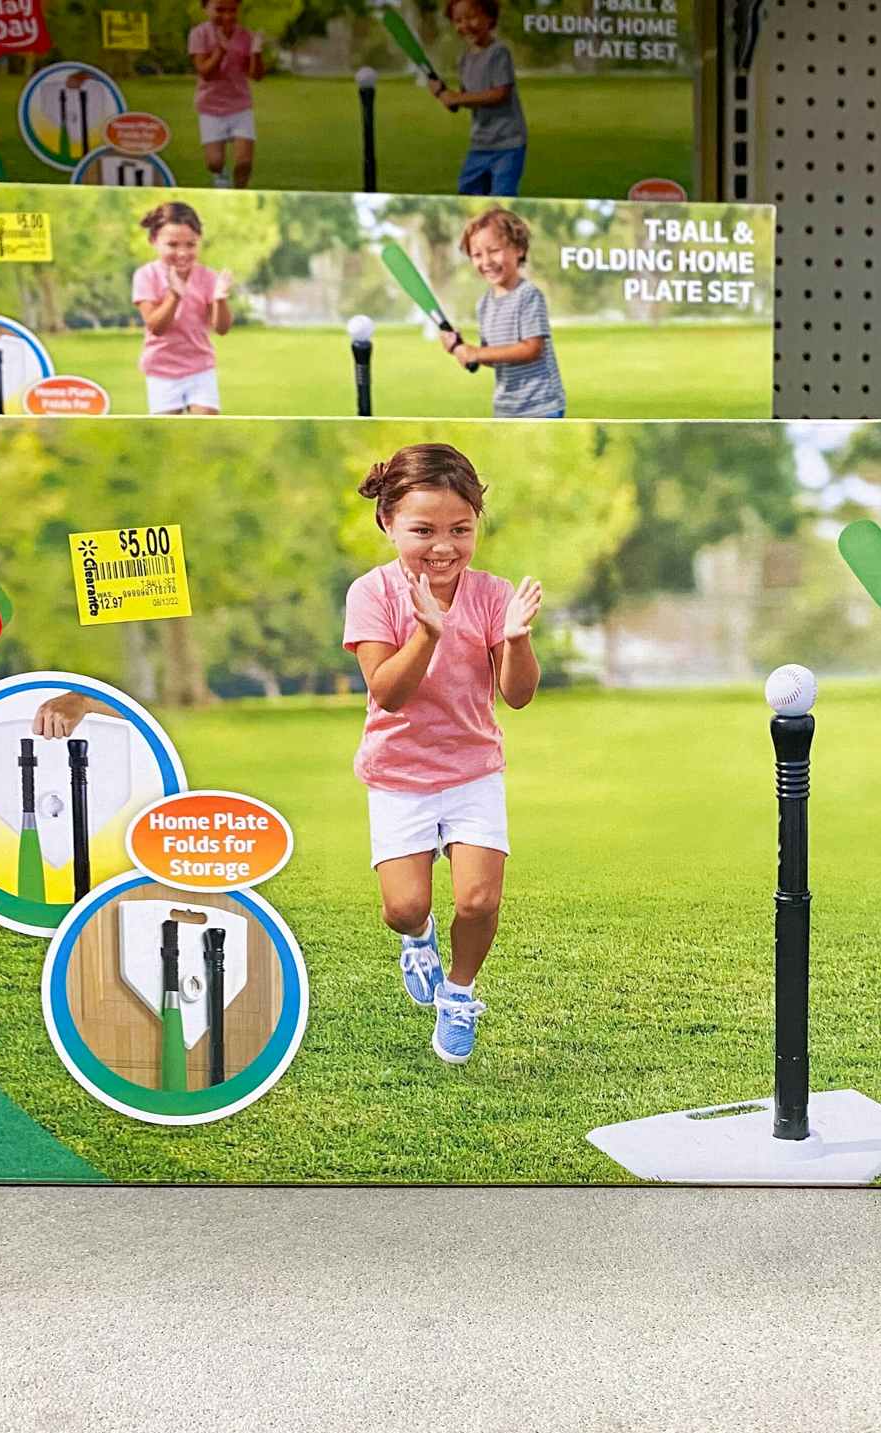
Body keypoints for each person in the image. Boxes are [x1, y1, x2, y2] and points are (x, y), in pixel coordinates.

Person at [342, 444, 543, 1064]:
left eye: (461, 529)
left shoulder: (491, 594)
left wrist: (515, 640)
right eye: (423, 530)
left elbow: (517, 695)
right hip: (399, 776)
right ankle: (418, 940)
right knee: (405, 908)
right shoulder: (372, 593)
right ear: (388, 524)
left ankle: (458, 993)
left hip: (472, 771)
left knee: (479, 900)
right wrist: (428, 630)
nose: (444, 547)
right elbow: (388, 693)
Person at [441, 207, 564, 418]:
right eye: (477, 255)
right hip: (506, 408)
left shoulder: (529, 295)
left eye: (494, 250)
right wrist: (459, 348)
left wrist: (477, 353)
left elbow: (532, 349)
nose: (486, 261)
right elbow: (494, 357)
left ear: (519, 249)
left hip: (541, 406)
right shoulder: (484, 304)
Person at [132, 202, 233, 416]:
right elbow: (156, 326)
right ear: (153, 241)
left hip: (200, 368)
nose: (182, 253)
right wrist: (175, 295)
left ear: (199, 242)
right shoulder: (146, 276)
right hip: (161, 370)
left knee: (206, 425)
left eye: (190, 244)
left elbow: (221, 328)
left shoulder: (207, 277)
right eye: (172, 245)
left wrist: (220, 299)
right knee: (167, 431)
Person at [431, 0, 527, 197]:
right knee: (467, 192)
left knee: (502, 195)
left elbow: (500, 93)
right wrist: (442, 93)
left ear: (489, 18)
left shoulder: (499, 52)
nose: (465, 25)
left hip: (507, 143)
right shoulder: (465, 60)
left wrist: (457, 98)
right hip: (480, 144)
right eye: (458, 20)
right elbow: (463, 101)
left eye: (471, 17)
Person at [189, 0, 265, 189]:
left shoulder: (244, 35)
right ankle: (220, 175)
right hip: (210, 107)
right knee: (214, 162)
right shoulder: (199, 34)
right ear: (205, 8)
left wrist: (256, 52)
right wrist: (221, 50)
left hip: (239, 107)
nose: (227, 16)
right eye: (220, 10)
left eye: (232, 10)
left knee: (244, 163)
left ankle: (240, 192)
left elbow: (256, 75)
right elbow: (205, 72)